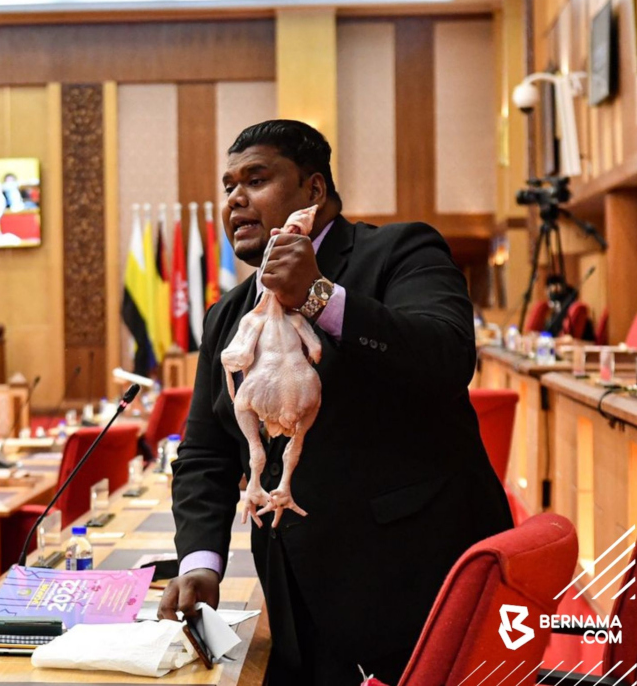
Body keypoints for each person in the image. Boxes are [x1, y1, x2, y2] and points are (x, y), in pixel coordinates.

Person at [159, 120, 513, 685]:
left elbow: (446, 358)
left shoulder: (400, 251)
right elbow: (205, 452)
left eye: (256, 179)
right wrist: (200, 561)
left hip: (415, 582)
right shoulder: (227, 315)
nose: (236, 200)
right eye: (228, 187)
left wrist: (318, 296)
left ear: (314, 191)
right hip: (295, 593)